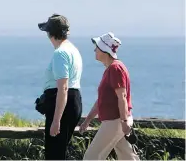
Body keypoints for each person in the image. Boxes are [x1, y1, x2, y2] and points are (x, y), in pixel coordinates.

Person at [80, 32, 140, 160]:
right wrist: (88, 119)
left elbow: (122, 97)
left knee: (91, 157)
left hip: (115, 122)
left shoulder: (115, 68)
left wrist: (124, 122)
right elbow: (101, 100)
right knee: (127, 157)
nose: (94, 49)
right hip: (117, 121)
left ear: (104, 50)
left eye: (97, 47)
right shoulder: (111, 68)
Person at [37, 14, 83, 160]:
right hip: (74, 100)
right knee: (61, 152)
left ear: (50, 33)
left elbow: (63, 88)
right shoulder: (73, 50)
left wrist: (56, 120)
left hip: (63, 103)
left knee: (54, 154)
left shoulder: (60, 53)